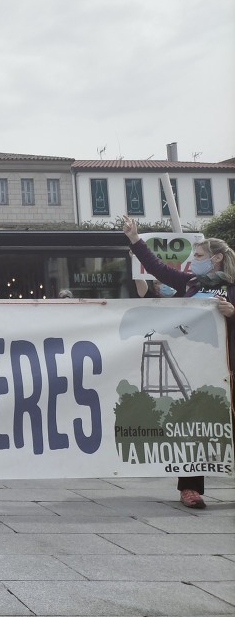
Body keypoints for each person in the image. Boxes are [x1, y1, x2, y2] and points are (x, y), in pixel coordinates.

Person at [123, 216, 235, 509]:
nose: (192, 261)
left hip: (228, 369)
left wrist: (232, 312)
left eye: (197, 256)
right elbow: (157, 268)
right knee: (194, 428)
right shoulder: (191, 283)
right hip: (196, 368)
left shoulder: (233, 288)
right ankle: (190, 489)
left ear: (217, 258)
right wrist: (135, 239)